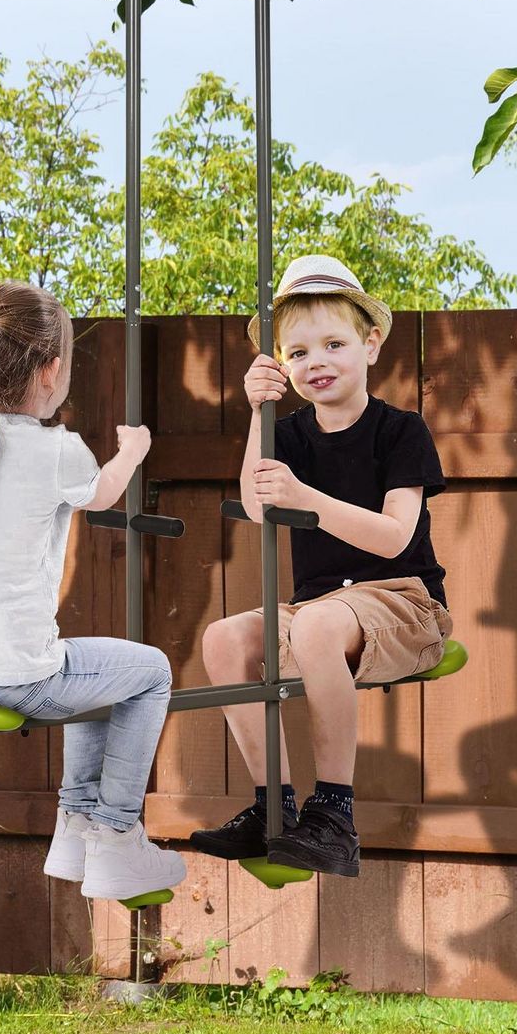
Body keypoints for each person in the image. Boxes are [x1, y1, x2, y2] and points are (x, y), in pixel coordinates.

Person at [0, 280, 186, 902]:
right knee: (150, 673)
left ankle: (75, 832)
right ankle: (115, 835)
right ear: (51, 370)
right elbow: (105, 493)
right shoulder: (55, 449)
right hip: (10, 677)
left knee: (93, 672)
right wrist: (133, 450)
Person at [189, 254, 453, 877]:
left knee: (313, 625)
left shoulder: (402, 431)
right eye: (299, 352)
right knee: (223, 639)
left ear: (371, 346)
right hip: (318, 610)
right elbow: (258, 506)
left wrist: (306, 497)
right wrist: (257, 415)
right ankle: (273, 807)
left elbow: (393, 538)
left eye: (334, 344)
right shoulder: (288, 435)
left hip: (403, 602)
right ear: (282, 366)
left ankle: (334, 814)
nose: (317, 362)